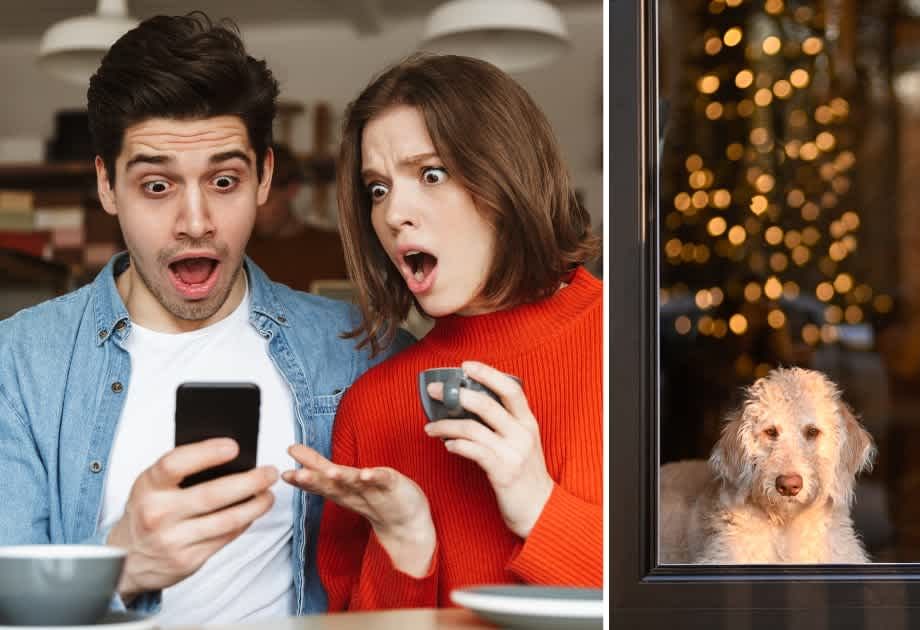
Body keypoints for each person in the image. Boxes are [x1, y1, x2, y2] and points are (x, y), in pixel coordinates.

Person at [0, 13, 409, 624]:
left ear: (264, 176)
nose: (196, 221)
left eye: (223, 180)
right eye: (157, 186)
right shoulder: (19, 361)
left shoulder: (360, 349)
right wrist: (123, 562)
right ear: (107, 186)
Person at [281, 53, 603, 609]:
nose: (393, 213)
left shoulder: (623, 343)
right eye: (377, 189)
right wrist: (405, 541)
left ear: (508, 177)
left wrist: (537, 505)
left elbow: (679, 596)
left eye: (431, 174)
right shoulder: (373, 406)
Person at [245, 143, 348, 292]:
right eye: (249, 202)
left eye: (266, 201)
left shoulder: (335, 249)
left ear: (292, 189)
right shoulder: (240, 250)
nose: (256, 212)